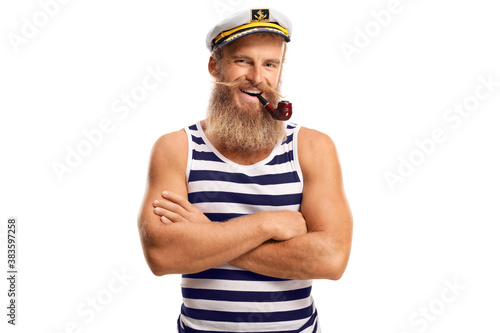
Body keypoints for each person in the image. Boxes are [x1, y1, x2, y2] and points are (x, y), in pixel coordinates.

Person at [137, 7, 353, 333]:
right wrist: (271, 223)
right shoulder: (176, 148)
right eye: (242, 61)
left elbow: (331, 259)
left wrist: (205, 235)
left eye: (270, 64)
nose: (257, 77)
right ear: (215, 66)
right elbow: (163, 255)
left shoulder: (312, 148)